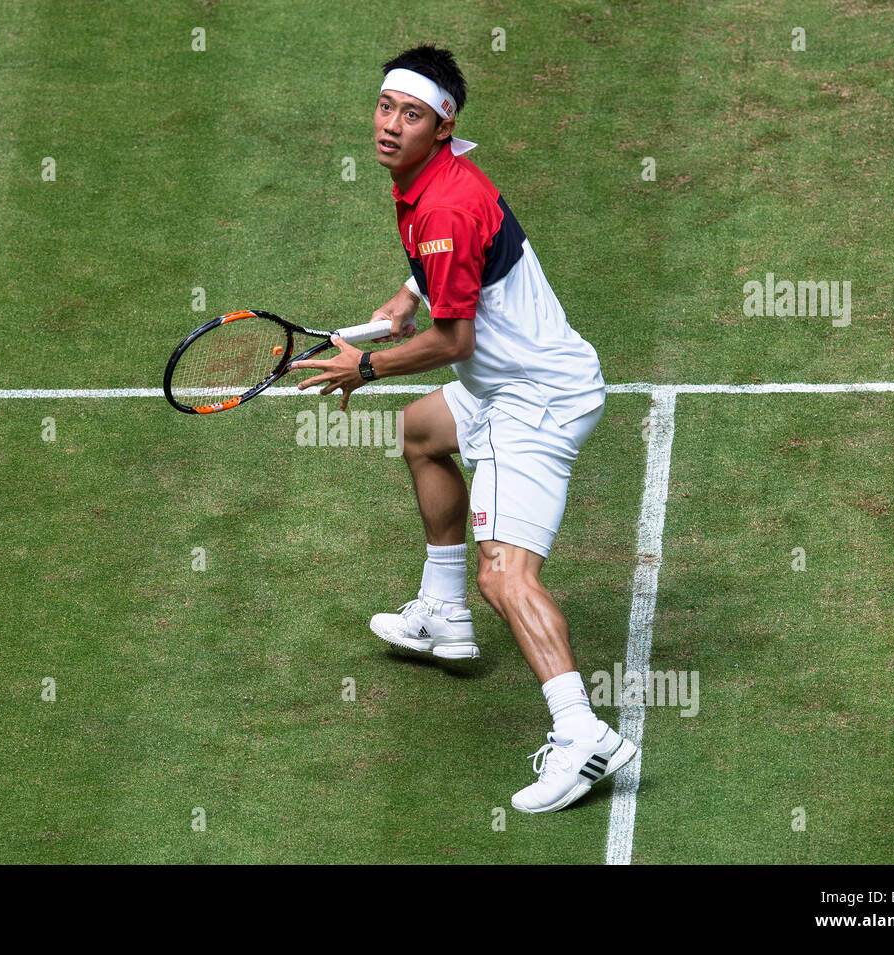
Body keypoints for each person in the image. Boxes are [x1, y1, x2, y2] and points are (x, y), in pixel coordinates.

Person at [292, 45, 637, 814]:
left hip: (534, 399)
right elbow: (458, 259)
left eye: (409, 115)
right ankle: (442, 614)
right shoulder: (437, 184)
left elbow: (457, 343)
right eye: (385, 106)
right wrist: (408, 292)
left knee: (505, 575)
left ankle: (584, 735)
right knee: (422, 432)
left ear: (441, 128)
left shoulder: (442, 203)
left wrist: (365, 368)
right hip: (513, 383)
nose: (389, 125)